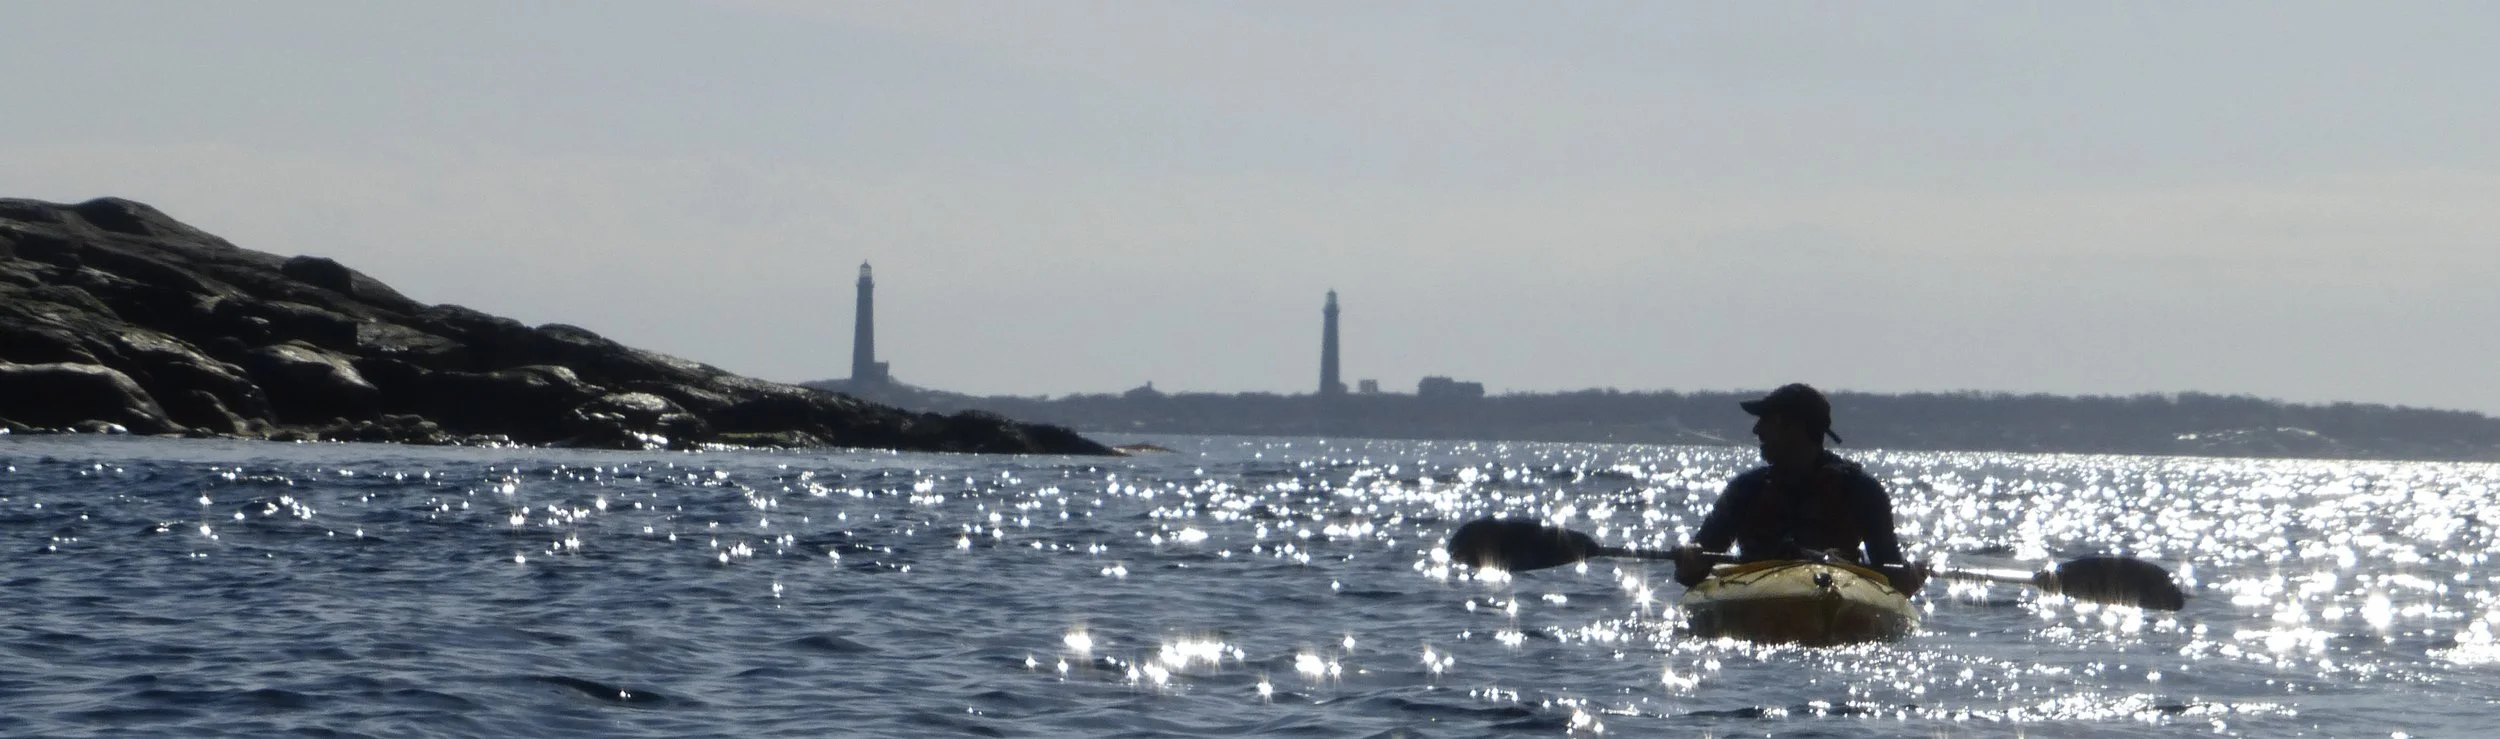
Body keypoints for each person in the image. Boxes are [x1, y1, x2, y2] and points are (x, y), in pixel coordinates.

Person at [1673, 383, 1927, 595]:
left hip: (1837, 590)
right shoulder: (1746, 489)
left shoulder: (1860, 489)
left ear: (1793, 427)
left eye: (1766, 420)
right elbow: (1698, 563)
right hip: (1754, 592)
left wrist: (1909, 576)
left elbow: (1890, 571)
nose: (1756, 429)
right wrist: (1690, 561)